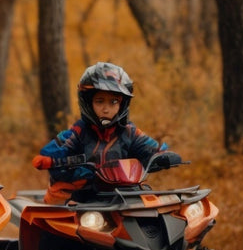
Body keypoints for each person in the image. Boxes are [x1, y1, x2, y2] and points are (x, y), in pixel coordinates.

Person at [32, 61, 181, 204]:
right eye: (99, 101)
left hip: (123, 196)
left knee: (153, 208)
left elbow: (151, 149)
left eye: (113, 102)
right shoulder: (77, 132)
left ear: (122, 104)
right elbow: (51, 154)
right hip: (81, 198)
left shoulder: (130, 132)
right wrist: (61, 164)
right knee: (57, 217)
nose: (106, 108)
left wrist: (163, 156)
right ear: (88, 103)